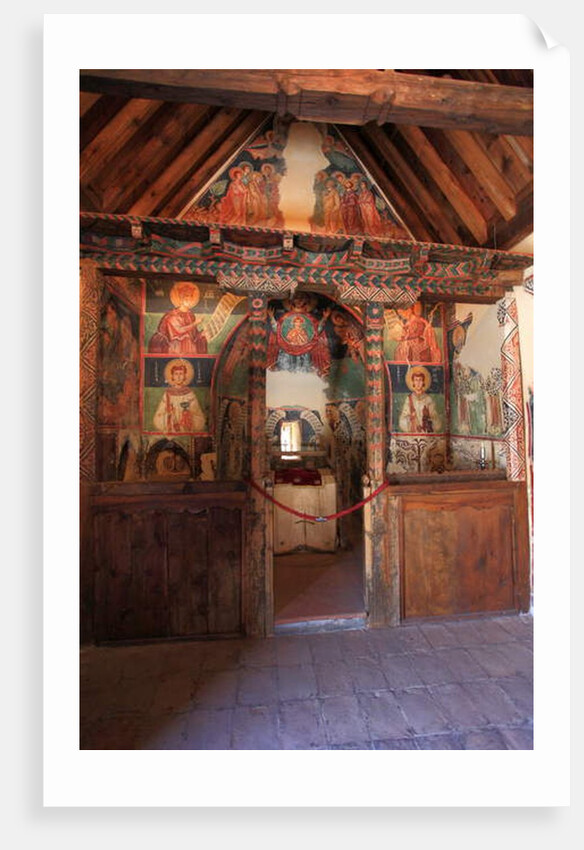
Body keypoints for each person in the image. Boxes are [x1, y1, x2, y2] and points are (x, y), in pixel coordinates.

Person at [148, 282, 208, 355]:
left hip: (190, 348)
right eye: (186, 297)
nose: (189, 300)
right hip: (177, 348)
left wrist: (201, 334)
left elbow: (193, 335)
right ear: (181, 299)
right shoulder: (172, 315)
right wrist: (195, 323)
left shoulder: (190, 315)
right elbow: (179, 330)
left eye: (191, 297)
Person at [153, 359, 206, 433]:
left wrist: (189, 417)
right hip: (172, 429)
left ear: (184, 376)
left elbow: (200, 419)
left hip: (186, 430)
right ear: (172, 376)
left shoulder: (190, 394)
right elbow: (157, 419)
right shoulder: (167, 394)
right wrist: (169, 417)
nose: (178, 377)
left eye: (181, 374)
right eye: (176, 374)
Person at [399, 366, 441, 433]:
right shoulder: (409, 399)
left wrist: (428, 418)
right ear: (413, 382)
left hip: (426, 434)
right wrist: (410, 418)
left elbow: (437, 422)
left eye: (420, 380)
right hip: (413, 434)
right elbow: (402, 420)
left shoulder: (428, 399)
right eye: (416, 380)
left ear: (423, 382)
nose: (418, 383)